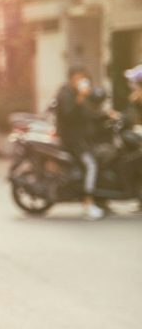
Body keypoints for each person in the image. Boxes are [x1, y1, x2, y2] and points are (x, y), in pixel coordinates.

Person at [54, 65, 104, 220]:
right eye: (79, 77)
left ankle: (102, 200)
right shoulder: (65, 93)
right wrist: (81, 98)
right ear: (72, 78)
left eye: (84, 77)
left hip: (83, 138)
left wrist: (106, 114)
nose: (82, 80)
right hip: (72, 139)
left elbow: (89, 114)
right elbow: (69, 115)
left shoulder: (78, 93)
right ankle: (87, 203)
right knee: (91, 164)